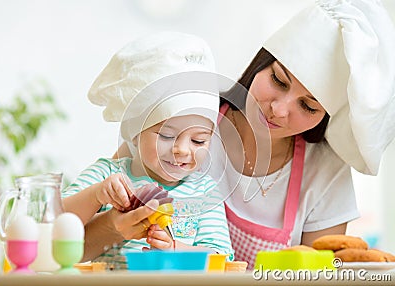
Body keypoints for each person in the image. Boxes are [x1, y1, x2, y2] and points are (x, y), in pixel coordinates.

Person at [80, 0, 395, 269]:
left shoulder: (325, 172)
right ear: (260, 63)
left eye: (308, 106)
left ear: (326, 116)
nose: (279, 110)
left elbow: (315, 276)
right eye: (278, 80)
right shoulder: (185, 118)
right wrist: (114, 226)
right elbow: (76, 246)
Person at [62, 31, 234, 267]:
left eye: (198, 141)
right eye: (166, 135)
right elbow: (56, 224)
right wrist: (95, 195)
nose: (182, 150)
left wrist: (175, 248)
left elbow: (221, 258)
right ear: (135, 131)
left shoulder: (205, 192)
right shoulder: (107, 176)